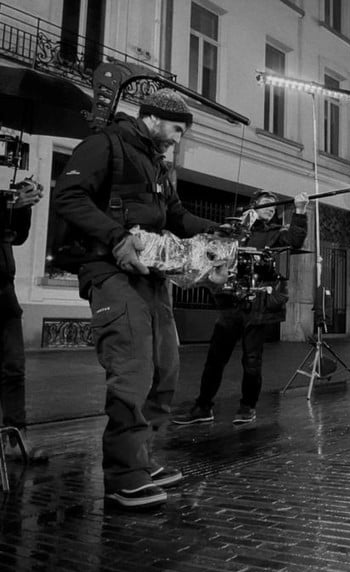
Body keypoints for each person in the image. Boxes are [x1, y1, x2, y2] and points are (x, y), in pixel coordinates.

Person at [52, 89, 219, 509]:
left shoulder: (160, 165)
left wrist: (220, 231)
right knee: (132, 368)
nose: (178, 139)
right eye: (176, 129)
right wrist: (117, 237)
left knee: (165, 368)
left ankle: (141, 460)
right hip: (110, 271)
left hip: (153, 277)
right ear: (151, 117)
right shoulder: (103, 145)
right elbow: (69, 197)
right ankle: (124, 476)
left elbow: (177, 216)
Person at [173, 191, 308, 426]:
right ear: (253, 206)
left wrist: (300, 212)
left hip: (256, 305)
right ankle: (203, 406)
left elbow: (295, 240)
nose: (271, 209)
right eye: (266, 204)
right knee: (215, 359)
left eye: (274, 207)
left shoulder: (275, 233)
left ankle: (248, 407)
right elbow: (214, 250)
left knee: (252, 359)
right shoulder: (236, 230)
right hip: (230, 303)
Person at [0, 178, 48, 462]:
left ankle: (14, 440)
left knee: (14, 369)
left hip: (5, 294)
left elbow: (16, 236)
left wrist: (22, 206)